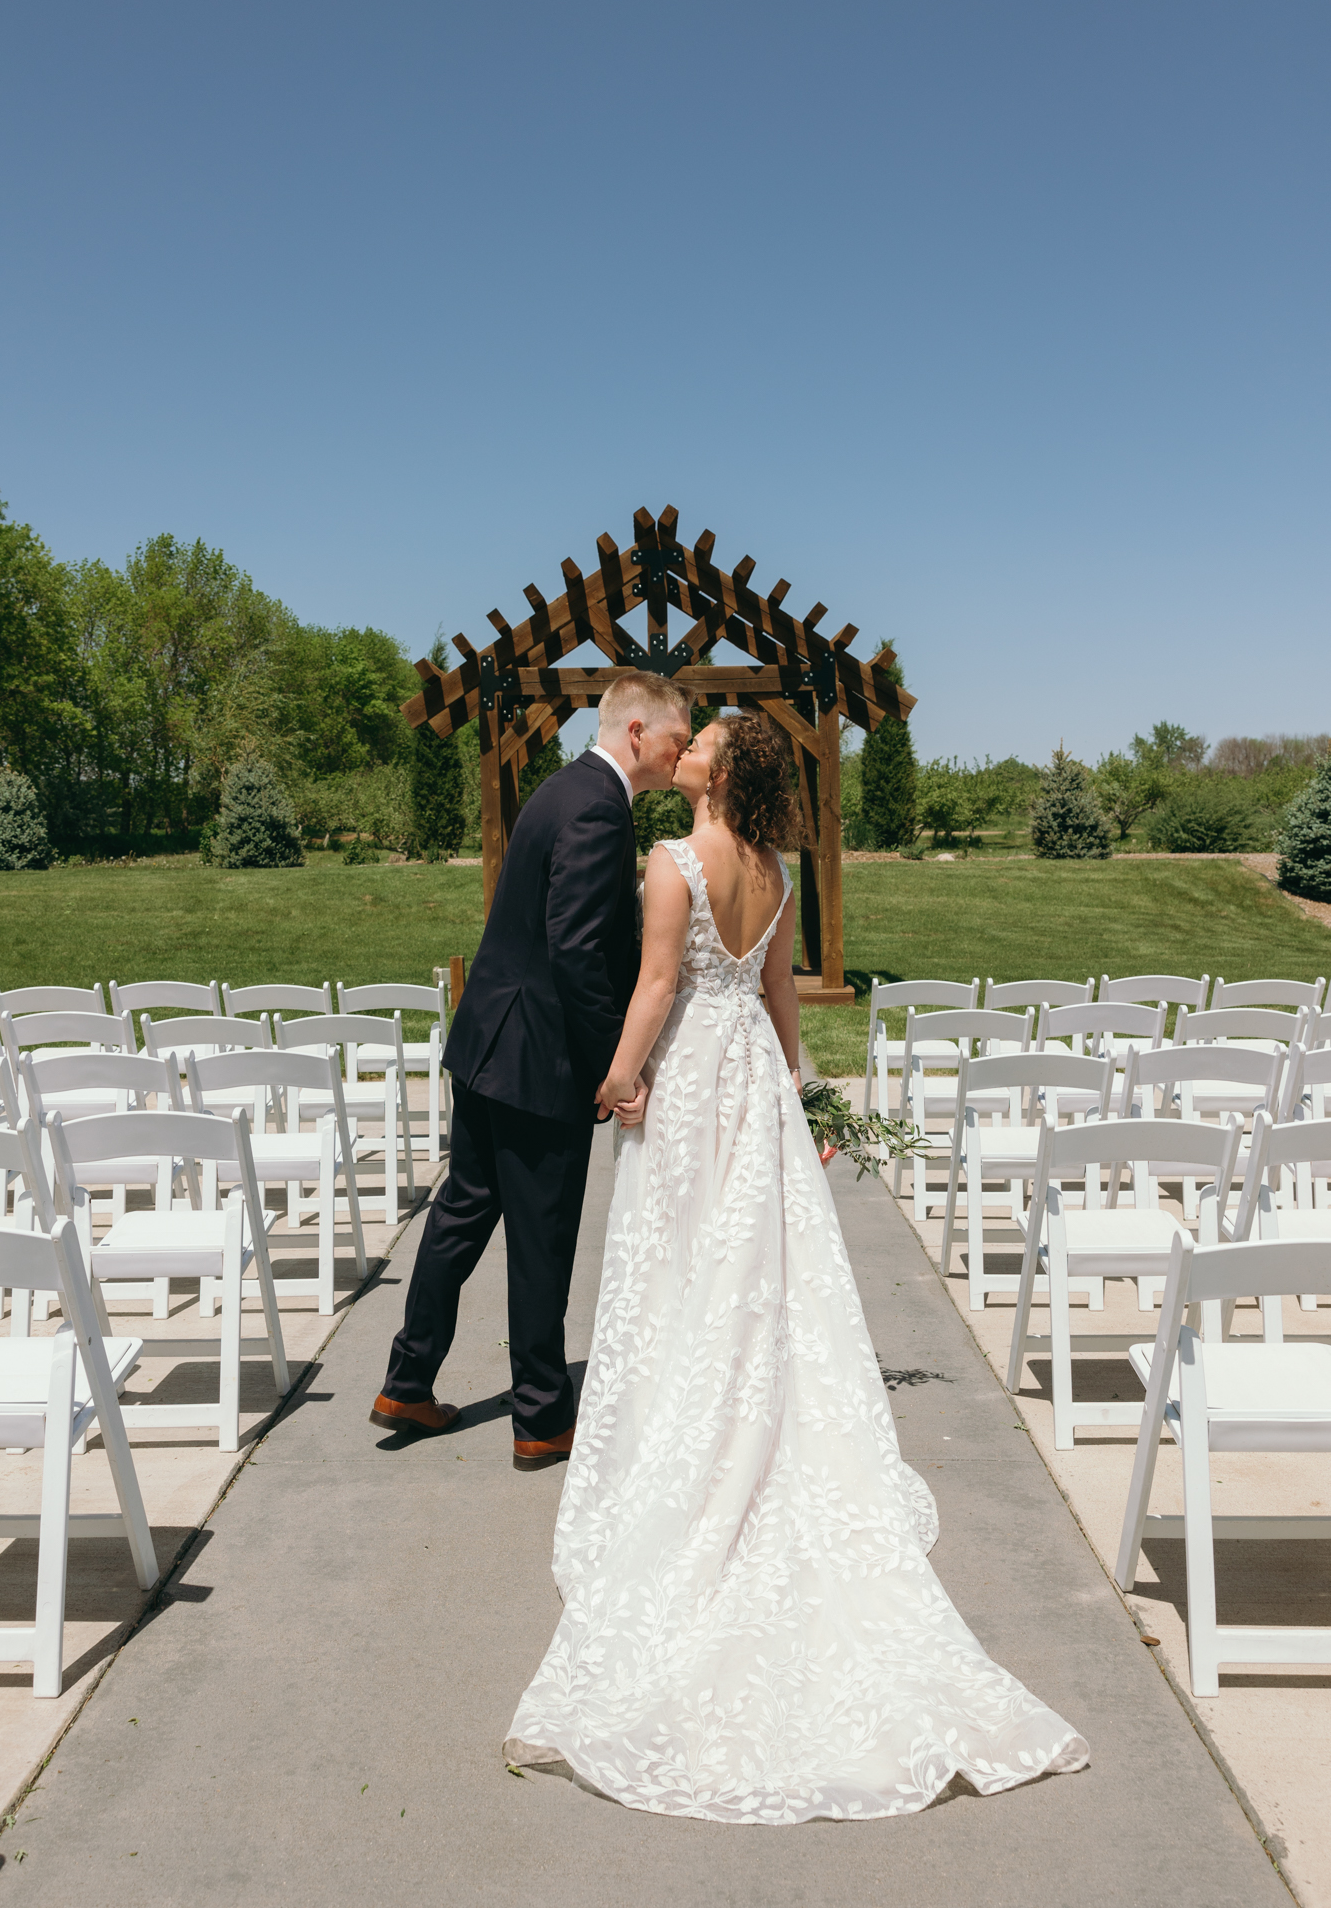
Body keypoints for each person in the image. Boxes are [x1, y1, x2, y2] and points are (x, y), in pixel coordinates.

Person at [503, 712, 1089, 1820]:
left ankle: (690, 1433)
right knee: (757, 1279)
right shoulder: (771, 870)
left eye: (702, 738)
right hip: (754, 1093)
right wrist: (806, 1091)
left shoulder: (674, 863)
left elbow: (658, 986)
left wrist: (618, 1079)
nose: (684, 743)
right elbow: (778, 1002)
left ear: (720, 771)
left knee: (682, 1273)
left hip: (688, 1089)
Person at [369, 670, 694, 1470]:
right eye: (677, 738)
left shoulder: (561, 789)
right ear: (636, 733)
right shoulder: (597, 806)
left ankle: (408, 1379)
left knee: (461, 1213)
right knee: (541, 1237)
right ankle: (542, 1418)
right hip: (538, 1055)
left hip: (488, 1040)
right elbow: (577, 950)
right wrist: (615, 1066)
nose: (682, 753)